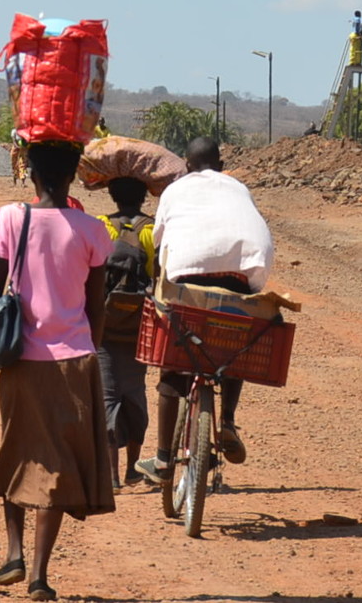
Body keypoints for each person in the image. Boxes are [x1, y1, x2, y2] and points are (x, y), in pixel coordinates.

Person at [0, 140, 113, 601]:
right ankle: (40, 575)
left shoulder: (7, 218)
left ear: (32, 175)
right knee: (60, 463)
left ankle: (13, 553)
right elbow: (97, 300)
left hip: (21, 360)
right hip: (74, 361)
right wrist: (93, 346)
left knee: (18, 450)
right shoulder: (91, 229)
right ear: (72, 179)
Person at [137, 137, 274, 484]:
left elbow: (159, 240)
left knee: (171, 368)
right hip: (242, 271)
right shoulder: (238, 187)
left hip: (187, 274)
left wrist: (158, 286)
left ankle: (165, 458)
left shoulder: (175, 189)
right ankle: (226, 421)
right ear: (221, 164)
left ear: (187, 164)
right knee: (234, 340)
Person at [97, 177, 157, 488]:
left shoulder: (101, 226)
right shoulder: (152, 229)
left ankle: (111, 476)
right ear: (145, 197)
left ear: (112, 195)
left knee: (107, 397)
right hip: (139, 326)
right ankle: (133, 469)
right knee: (134, 393)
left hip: (105, 326)